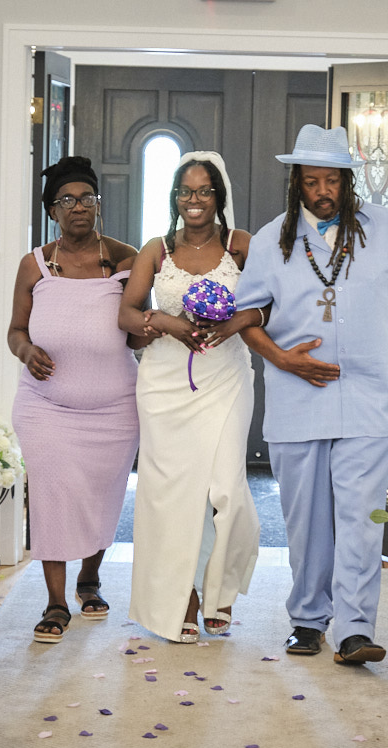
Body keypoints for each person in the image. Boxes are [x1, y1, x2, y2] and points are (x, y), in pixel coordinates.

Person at [235, 124, 388, 664]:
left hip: (369, 398)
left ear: (347, 180)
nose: (322, 191)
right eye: (312, 181)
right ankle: (308, 619)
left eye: (332, 180)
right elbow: (247, 317)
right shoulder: (271, 241)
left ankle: (355, 630)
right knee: (306, 520)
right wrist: (281, 358)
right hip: (298, 399)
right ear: (297, 182)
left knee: (362, 519)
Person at [120, 151, 262, 643]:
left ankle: (219, 586)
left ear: (218, 196)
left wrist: (234, 322)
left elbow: (270, 304)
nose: (194, 199)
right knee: (172, 498)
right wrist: (164, 322)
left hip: (225, 377)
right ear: (175, 197)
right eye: (185, 191)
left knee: (227, 490)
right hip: (164, 383)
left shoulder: (241, 246)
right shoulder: (156, 250)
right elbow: (126, 313)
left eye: (204, 191)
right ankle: (186, 598)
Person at [8, 155, 143, 644]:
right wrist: (26, 352)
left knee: (101, 496)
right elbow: (16, 330)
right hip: (45, 406)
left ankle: (90, 577)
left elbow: (136, 335)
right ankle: (55, 601)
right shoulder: (34, 265)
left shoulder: (127, 259)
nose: (78, 206)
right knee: (52, 494)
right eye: (67, 200)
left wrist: (157, 324)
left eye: (87, 197)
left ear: (98, 205)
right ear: (52, 210)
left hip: (115, 408)